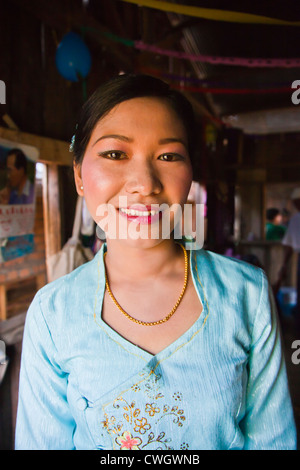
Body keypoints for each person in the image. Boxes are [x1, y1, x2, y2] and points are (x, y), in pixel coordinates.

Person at [15, 74, 296, 450]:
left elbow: (273, 441)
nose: (144, 183)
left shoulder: (246, 293)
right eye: (115, 154)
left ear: (190, 173)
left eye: (168, 156)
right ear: (79, 174)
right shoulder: (53, 313)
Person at [277, 188, 300, 321]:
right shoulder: (295, 219)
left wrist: (284, 265)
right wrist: (284, 265)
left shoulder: (296, 219)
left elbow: (289, 246)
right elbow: (289, 246)